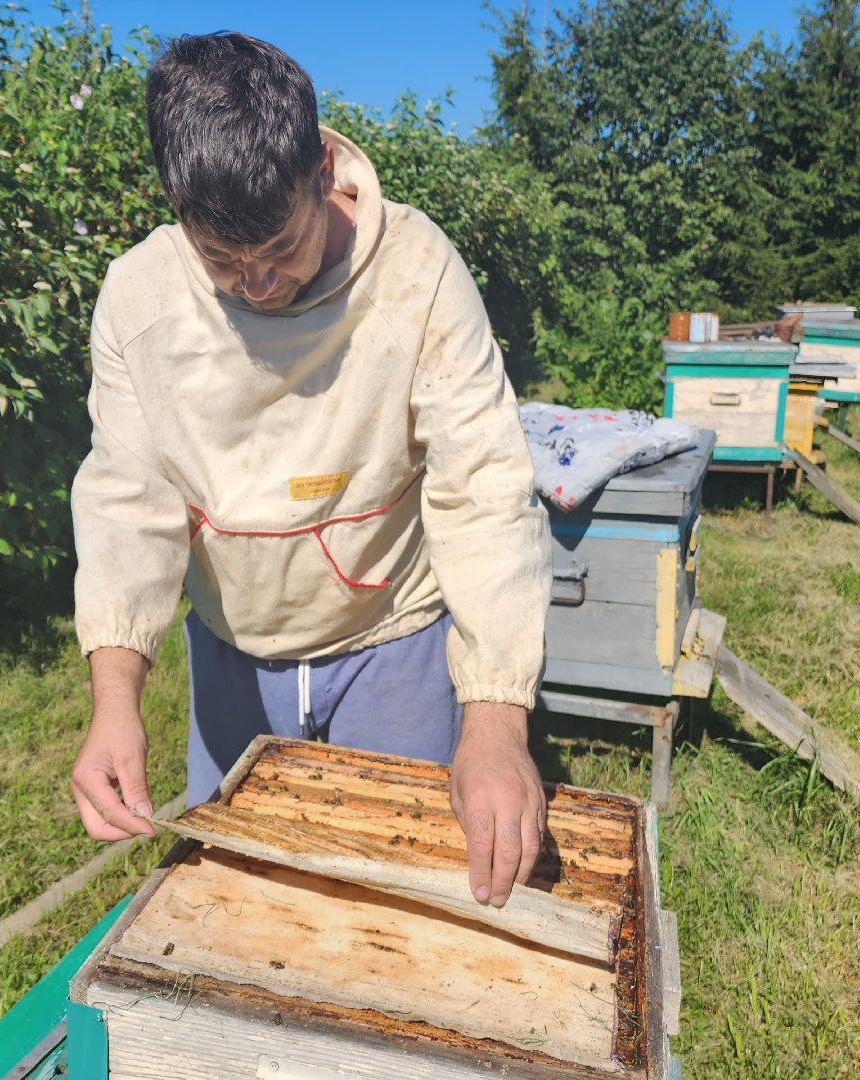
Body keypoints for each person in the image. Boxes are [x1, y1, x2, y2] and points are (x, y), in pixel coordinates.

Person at [67, 32, 551, 908]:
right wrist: (114, 699)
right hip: (233, 649)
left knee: (406, 899)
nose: (256, 284)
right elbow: (128, 503)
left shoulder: (418, 273)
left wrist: (495, 718)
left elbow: (482, 491)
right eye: (222, 260)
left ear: (322, 169)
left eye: (281, 247)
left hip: (393, 638)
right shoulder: (138, 299)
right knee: (241, 902)